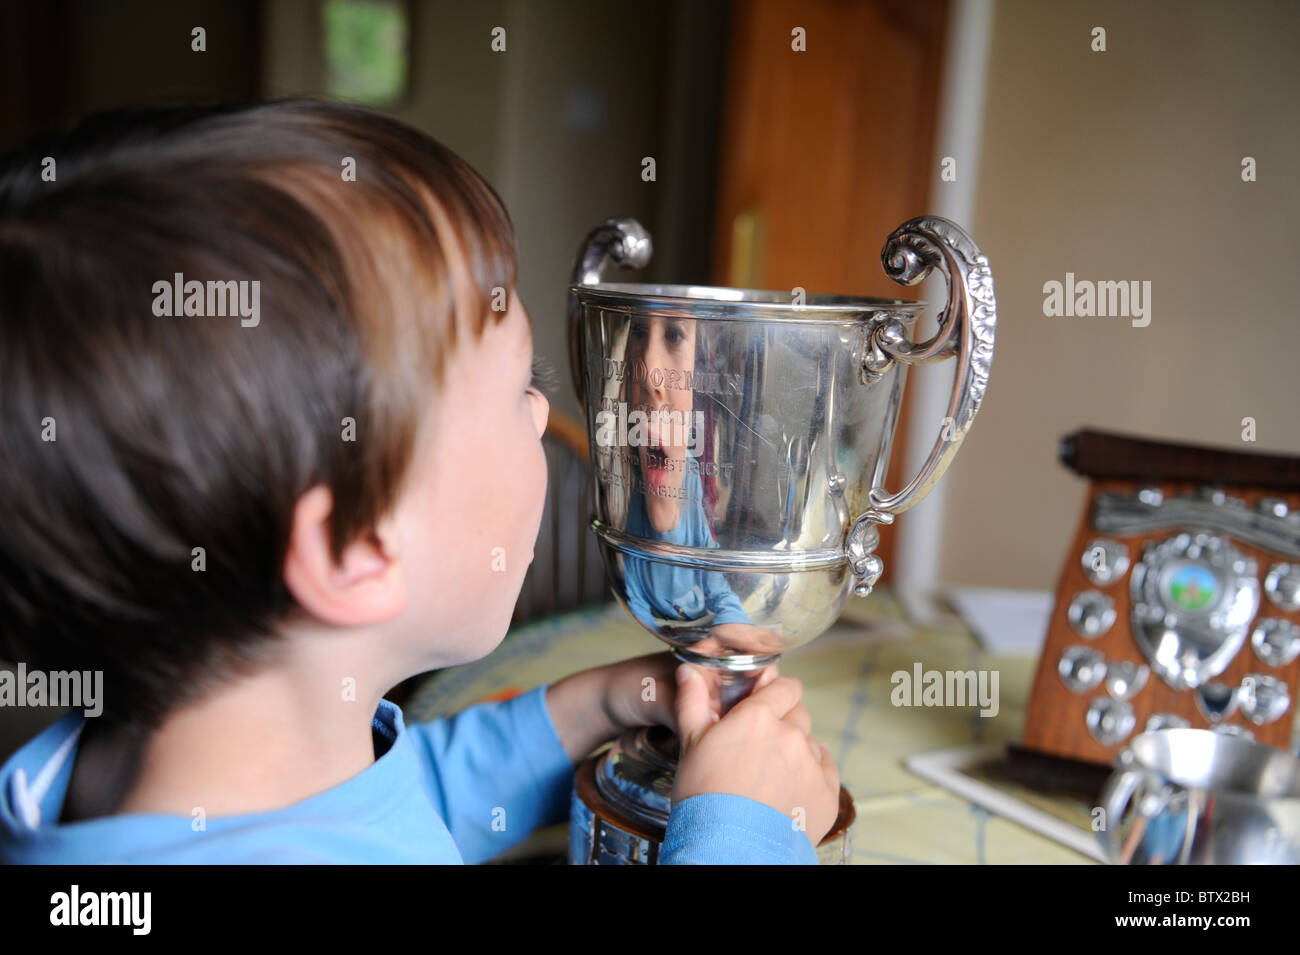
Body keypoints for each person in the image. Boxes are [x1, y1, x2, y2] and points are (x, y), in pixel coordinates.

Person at [0, 100, 840, 864]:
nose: (544, 416)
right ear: (357, 546)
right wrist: (743, 832)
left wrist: (585, 711)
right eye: (520, 387)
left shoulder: (149, 781)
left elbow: (389, 807)